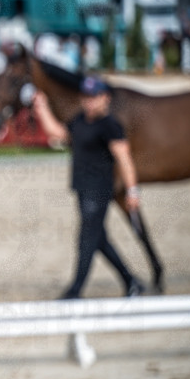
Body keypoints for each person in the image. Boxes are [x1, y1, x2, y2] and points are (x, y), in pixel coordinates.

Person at [32, 76, 145, 299]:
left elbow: (124, 159)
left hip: (99, 190)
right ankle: (131, 282)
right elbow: (58, 133)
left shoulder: (110, 125)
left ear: (105, 98)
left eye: (93, 97)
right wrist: (42, 108)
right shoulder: (80, 120)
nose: (89, 101)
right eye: (86, 97)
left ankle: (75, 290)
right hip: (82, 189)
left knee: (86, 240)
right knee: (99, 239)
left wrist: (132, 190)